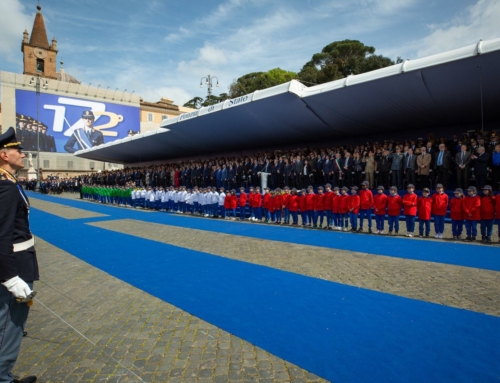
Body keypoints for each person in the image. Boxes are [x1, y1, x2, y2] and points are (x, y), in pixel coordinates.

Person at [0, 127, 39, 383]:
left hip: (16, 259)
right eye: (18, 150)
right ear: (4, 154)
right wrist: (10, 276)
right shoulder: (6, 187)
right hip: (14, 264)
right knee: (10, 325)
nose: (22, 154)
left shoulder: (10, 183)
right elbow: (2, 235)